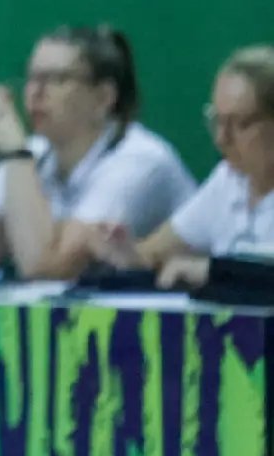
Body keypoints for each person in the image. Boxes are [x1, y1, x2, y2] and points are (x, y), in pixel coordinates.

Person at [0, 25, 195, 279]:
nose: (35, 92)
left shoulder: (140, 161)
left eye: (56, 79)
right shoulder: (36, 153)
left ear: (103, 97)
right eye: (31, 77)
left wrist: (16, 153)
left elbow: (45, 268)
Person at [93, 45, 274, 290]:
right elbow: (151, 254)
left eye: (240, 124)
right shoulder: (227, 181)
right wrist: (125, 254)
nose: (222, 139)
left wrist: (210, 272)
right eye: (217, 121)